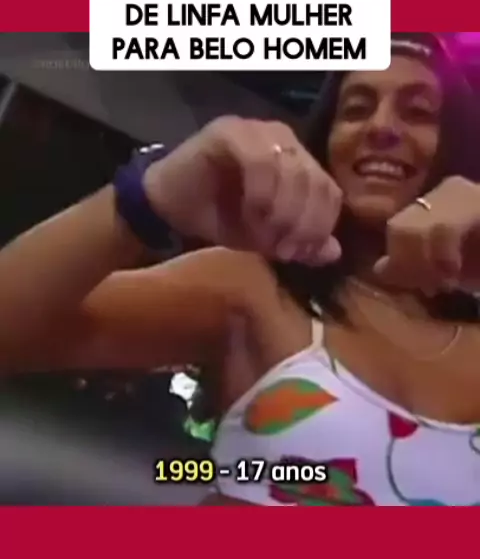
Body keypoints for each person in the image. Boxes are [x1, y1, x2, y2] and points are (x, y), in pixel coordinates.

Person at [1, 33, 480, 506]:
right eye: (355, 109)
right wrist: (143, 200)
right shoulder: (254, 288)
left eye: (418, 112)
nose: (381, 127)